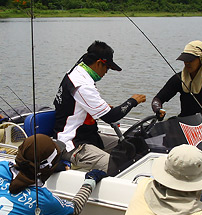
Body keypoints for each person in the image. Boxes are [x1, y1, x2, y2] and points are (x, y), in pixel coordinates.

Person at [53, 40, 147, 171]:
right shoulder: (82, 84)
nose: (107, 72)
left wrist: (98, 109)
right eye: (107, 68)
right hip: (73, 144)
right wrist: (133, 101)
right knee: (119, 166)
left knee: (131, 148)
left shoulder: (76, 71)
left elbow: (76, 105)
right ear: (98, 63)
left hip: (89, 137)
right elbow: (111, 117)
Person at [151, 40, 202, 128]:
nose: (187, 63)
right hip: (183, 124)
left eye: (191, 60)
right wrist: (158, 109)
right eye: (185, 59)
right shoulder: (179, 78)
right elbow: (158, 99)